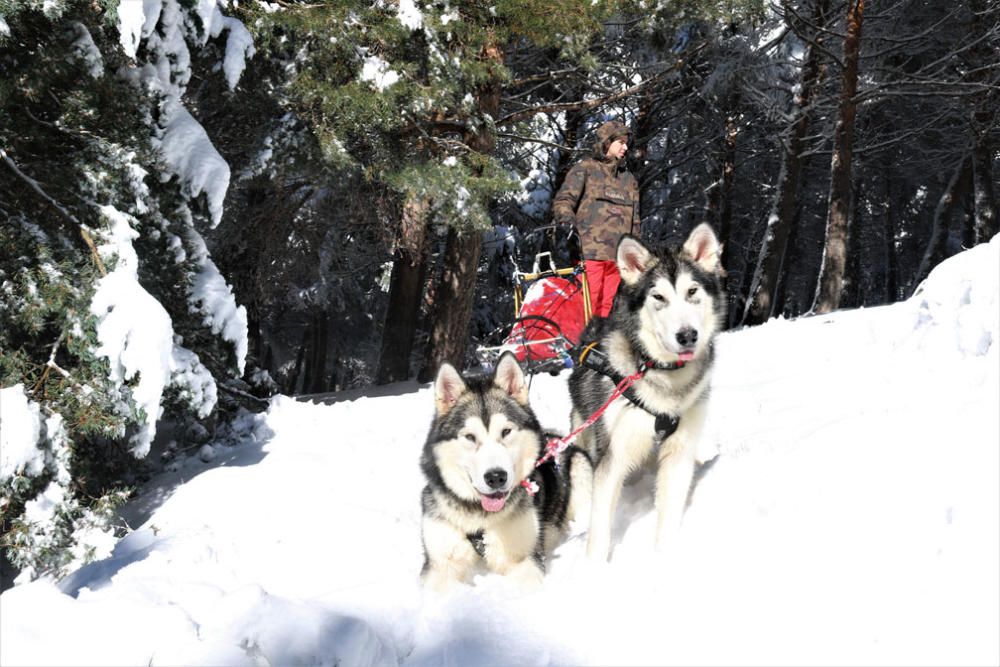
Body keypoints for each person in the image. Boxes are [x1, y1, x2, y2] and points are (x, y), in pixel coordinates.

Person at [551, 119, 640, 319]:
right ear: (607, 143)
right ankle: (575, 347)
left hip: (617, 259)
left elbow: (635, 222)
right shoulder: (585, 169)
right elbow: (564, 200)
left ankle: (593, 349)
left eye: (627, 143)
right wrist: (566, 222)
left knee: (605, 312)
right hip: (589, 254)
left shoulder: (629, 181)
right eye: (621, 142)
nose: (626, 147)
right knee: (585, 306)